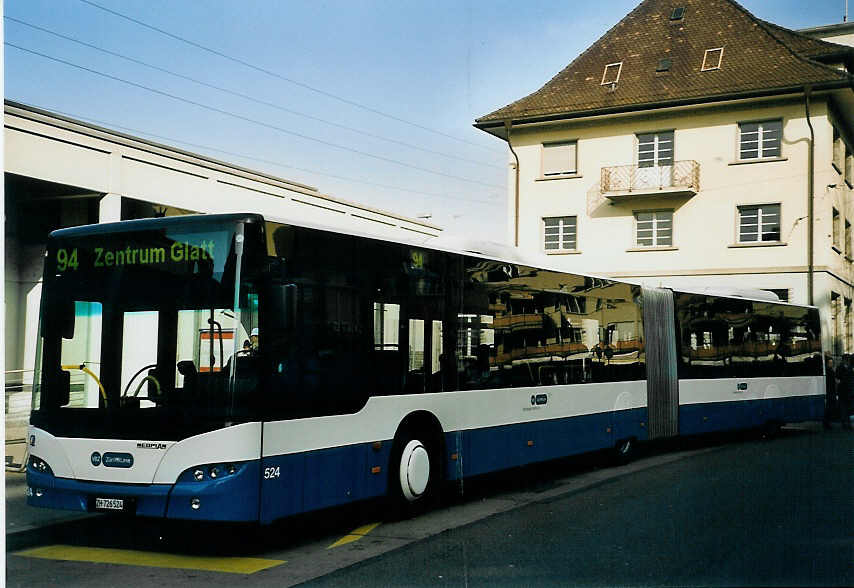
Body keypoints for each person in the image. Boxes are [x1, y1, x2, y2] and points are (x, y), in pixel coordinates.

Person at [838, 355, 853, 430]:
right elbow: (838, 379)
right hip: (843, 391)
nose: (848, 361)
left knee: (848, 408)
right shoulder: (840, 368)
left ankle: (847, 422)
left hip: (849, 391)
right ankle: (845, 423)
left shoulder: (850, 368)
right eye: (848, 359)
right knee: (843, 407)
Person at [824, 356, 837, 430]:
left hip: (830, 391)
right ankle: (827, 422)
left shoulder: (828, 371)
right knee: (829, 407)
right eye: (830, 363)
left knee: (829, 407)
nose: (831, 364)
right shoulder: (829, 371)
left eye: (831, 363)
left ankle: (827, 422)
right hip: (830, 391)